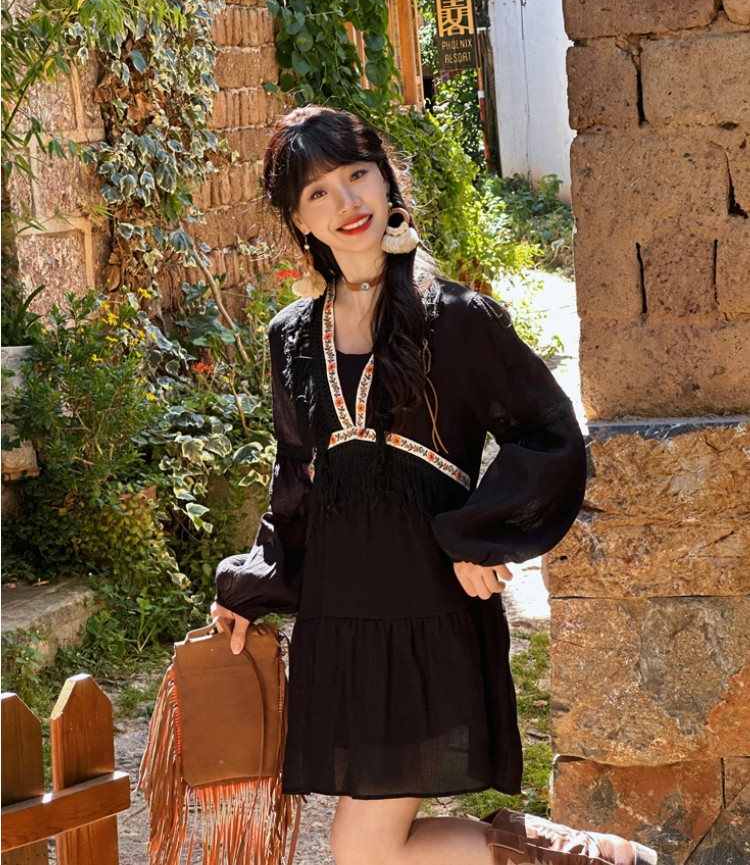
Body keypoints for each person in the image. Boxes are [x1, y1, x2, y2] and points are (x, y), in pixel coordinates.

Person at [211, 107, 657, 865]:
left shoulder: (458, 319)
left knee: (364, 850)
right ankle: (594, 859)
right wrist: (251, 584)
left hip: (427, 615)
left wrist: (479, 536)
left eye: (357, 174)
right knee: (370, 850)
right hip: (343, 624)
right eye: (318, 192)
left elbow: (547, 431)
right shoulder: (291, 337)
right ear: (299, 220)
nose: (346, 201)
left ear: (386, 182)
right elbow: (297, 482)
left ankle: (600, 860)